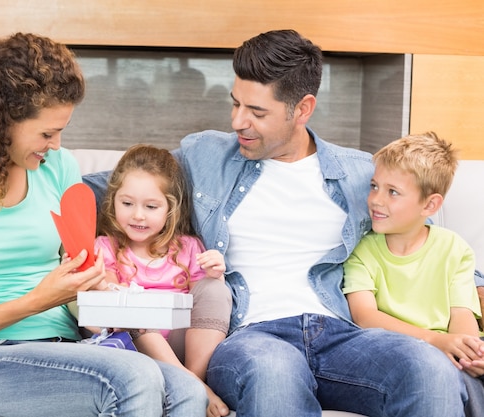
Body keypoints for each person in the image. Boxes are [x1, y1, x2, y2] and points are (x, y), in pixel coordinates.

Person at [84, 29, 468, 416]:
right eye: (236, 104)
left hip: (341, 335)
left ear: (302, 109)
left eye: (257, 112)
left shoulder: (360, 174)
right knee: (275, 375)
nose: (237, 121)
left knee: (428, 368)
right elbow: (105, 189)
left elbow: (429, 240)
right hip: (253, 337)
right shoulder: (205, 155)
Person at [0, 32, 207, 417]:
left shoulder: (58, 169)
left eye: (61, 131)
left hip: (65, 345)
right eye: (46, 133)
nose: (56, 145)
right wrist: (35, 302)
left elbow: (82, 270)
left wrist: (102, 289)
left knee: (188, 393)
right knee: (133, 378)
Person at [342, 132, 484, 417]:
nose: (376, 200)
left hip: (451, 354)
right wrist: (434, 342)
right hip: (401, 353)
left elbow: (463, 317)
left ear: (430, 205)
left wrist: (470, 353)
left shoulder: (453, 248)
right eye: (374, 186)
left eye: (392, 192)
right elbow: (365, 317)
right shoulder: (362, 250)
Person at [95, 144, 232, 417]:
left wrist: (215, 272)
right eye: (127, 203)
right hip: (133, 345)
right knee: (125, 302)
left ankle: (190, 378)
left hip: (183, 344)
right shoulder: (106, 246)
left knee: (215, 288)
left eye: (151, 206)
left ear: (171, 208)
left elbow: (202, 303)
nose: (137, 215)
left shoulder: (189, 247)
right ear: (113, 201)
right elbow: (107, 290)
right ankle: (194, 386)